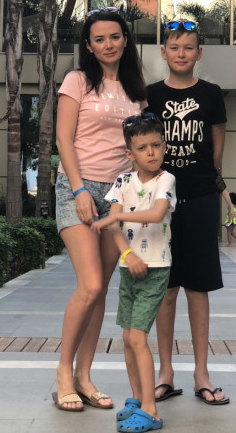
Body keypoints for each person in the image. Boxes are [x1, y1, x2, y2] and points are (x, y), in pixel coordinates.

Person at [52, 7, 148, 412]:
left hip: (118, 195)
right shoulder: (77, 81)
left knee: (101, 289)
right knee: (90, 284)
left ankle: (84, 376)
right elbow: (63, 138)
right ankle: (63, 371)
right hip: (78, 188)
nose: (108, 44)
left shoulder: (136, 90)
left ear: (125, 40)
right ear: (88, 46)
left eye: (115, 37)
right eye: (99, 39)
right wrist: (78, 189)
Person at [146, 19, 233, 405]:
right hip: (159, 203)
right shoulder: (150, 95)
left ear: (199, 53)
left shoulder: (211, 94)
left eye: (188, 47)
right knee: (165, 290)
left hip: (199, 199)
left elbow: (216, 151)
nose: (181, 53)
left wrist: (212, 185)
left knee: (198, 289)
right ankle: (165, 373)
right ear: (163, 52)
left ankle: (201, 374)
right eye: (174, 47)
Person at [90, 113, 176, 432]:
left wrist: (116, 217)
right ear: (130, 153)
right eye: (142, 148)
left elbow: (156, 213)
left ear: (164, 146)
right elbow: (114, 228)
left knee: (138, 336)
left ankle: (151, 410)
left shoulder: (165, 180)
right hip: (130, 268)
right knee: (127, 337)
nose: (151, 152)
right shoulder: (122, 183)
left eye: (156, 145)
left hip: (155, 268)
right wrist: (127, 254)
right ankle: (138, 399)